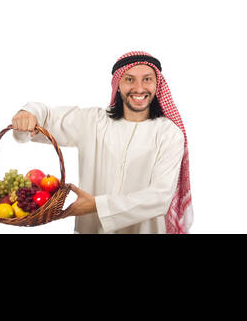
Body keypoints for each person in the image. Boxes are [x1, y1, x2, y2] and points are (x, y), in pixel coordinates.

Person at [10, 51, 192, 234]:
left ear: (157, 84)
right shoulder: (93, 122)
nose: (139, 88)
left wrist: (96, 205)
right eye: (129, 79)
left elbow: (159, 197)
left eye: (147, 79)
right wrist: (28, 113)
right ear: (118, 85)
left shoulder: (169, 134)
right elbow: (48, 116)